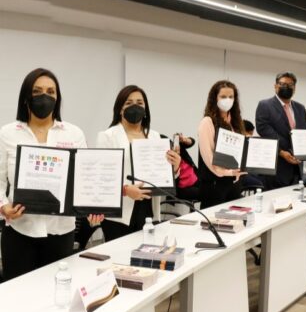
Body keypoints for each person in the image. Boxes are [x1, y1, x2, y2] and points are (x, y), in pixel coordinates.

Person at [0, 68, 104, 280]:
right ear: (26, 97)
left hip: (61, 233)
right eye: (37, 91)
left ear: (57, 98)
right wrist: (3, 207)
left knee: (56, 293)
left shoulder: (73, 134)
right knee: (17, 295)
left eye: (50, 91)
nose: (44, 96)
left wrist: (94, 207)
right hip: (19, 231)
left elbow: (85, 179)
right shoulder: (7, 133)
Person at [93, 85, 182, 243]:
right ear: (120, 109)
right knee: (119, 255)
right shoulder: (107, 137)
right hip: (120, 212)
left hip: (148, 207)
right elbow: (100, 179)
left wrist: (174, 167)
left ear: (145, 109)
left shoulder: (155, 137)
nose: (135, 107)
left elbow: (165, 176)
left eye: (140, 103)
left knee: (147, 252)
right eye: (129, 103)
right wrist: (126, 190)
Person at [197, 80, 247, 208]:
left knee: (236, 218)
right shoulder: (207, 122)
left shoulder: (235, 122)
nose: (227, 100)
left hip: (234, 183)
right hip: (214, 185)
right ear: (215, 98)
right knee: (214, 219)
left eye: (231, 97)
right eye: (223, 96)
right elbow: (209, 158)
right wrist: (228, 172)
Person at [255, 72, 306, 189]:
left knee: (296, 199)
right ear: (275, 86)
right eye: (283, 84)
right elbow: (263, 129)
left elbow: (303, 131)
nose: (286, 87)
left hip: (297, 166)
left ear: (295, 88)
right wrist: (282, 152)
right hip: (277, 165)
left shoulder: (300, 108)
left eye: (290, 85)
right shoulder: (265, 105)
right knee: (275, 199)